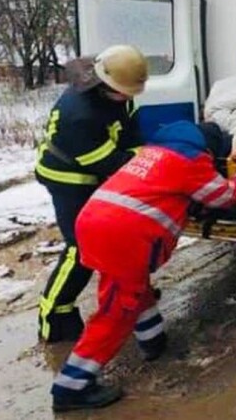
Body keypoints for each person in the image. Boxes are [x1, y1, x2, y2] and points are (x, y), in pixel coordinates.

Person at [50, 121, 236, 412]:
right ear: (209, 149)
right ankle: (71, 387)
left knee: (133, 287)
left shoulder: (153, 152)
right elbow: (223, 196)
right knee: (117, 312)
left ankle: (153, 339)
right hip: (121, 235)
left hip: (94, 222)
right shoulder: (193, 160)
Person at [35, 45, 148, 343]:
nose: (128, 97)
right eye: (123, 93)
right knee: (80, 248)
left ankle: (125, 292)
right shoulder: (80, 116)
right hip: (67, 178)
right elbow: (109, 163)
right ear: (106, 84)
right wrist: (147, 159)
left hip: (90, 171)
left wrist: (140, 150)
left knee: (110, 236)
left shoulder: (112, 87)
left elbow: (128, 129)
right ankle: (54, 314)